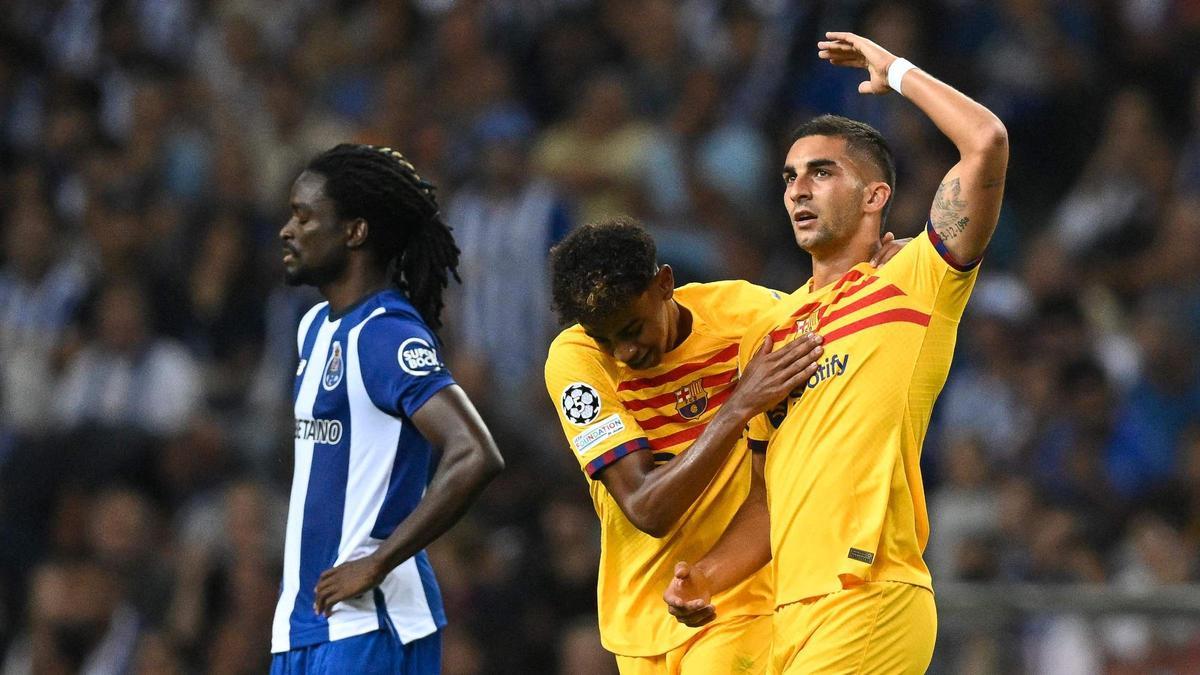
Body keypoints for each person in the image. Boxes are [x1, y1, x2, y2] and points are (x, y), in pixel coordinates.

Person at [664, 32, 1008, 674]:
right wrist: (708, 574)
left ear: (875, 197)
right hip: (791, 615)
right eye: (790, 176)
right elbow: (771, 499)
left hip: (870, 596)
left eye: (822, 172)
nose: (799, 189)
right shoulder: (774, 334)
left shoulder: (913, 280)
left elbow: (985, 142)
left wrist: (898, 71)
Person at [543, 217, 907, 674]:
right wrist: (739, 405)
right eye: (605, 338)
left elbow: (836, 320)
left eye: (633, 329)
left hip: (742, 600)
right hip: (641, 620)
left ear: (664, 284)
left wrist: (888, 271)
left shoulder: (744, 315)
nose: (623, 353)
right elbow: (646, 508)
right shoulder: (576, 359)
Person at [271, 144, 505, 674]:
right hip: (305, 622)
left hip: (370, 624)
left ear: (354, 232)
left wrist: (377, 562)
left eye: (304, 216)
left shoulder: (385, 333)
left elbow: (475, 452)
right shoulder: (315, 327)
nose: (287, 229)